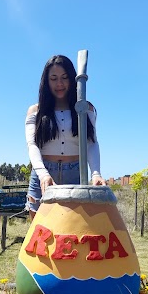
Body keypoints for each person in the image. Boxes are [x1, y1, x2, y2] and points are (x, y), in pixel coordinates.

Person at [25, 54, 106, 219]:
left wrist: (96, 173)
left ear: (72, 79)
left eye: (64, 77)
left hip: (75, 174)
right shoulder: (35, 111)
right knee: (40, 234)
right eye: (53, 78)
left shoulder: (86, 108)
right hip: (44, 174)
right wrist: (43, 174)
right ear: (46, 81)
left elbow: (91, 143)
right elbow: (32, 145)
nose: (59, 83)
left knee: (73, 231)